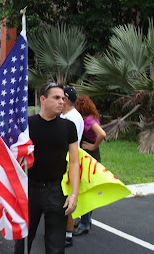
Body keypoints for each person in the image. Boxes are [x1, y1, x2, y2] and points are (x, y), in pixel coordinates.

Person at [14, 83, 80, 254]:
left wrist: (74, 194)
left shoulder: (68, 127)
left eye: (63, 98)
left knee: (56, 245)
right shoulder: (27, 125)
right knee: (23, 242)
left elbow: (74, 162)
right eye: (56, 98)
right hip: (30, 189)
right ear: (43, 99)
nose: (62, 102)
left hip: (56, 191)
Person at [73, 94, 106, 236]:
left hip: (90, 156)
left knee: (85, 190)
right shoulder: (90, 117)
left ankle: (85, 223)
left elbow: (102, 134)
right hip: (88, 155)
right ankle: (86, 220)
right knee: (84, 188)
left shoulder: (88, 120)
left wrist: (92, 147)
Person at [60, 85, 84, 247]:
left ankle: (68, 234)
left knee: (68, 197)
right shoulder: (70, 116)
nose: (59, 100)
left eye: (61, 97)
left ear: (66, 99)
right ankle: (65, 232)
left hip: (69, 161)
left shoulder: (72, 118)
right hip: (68, 159)